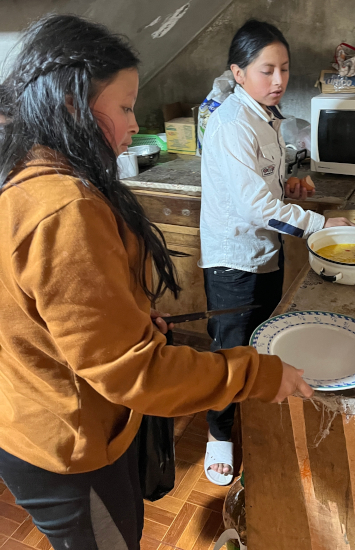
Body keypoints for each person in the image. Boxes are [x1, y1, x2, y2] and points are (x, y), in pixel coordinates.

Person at [0, 14, 314, 550]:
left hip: (69, 416)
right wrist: (259, 374)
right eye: (123, 107)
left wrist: (126, 317)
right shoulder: (64, 209)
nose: (130, 123)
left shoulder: (33, 172)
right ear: (73, 105)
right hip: (64, 442)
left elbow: (45, 309)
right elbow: (133, 373)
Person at [199, 19, 354, 486]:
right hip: (233, 260)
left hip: (265, 251)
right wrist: (321, 224)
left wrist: (288, 180)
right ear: (238, 72)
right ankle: (217, 435)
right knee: (230, 351)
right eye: (267, 70)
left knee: (264, 340)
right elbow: (253, 206)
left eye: (284, 69)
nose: (279, 80)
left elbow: (264, 180)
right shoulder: (231, 123)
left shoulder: (268, 115)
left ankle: (260, 421)